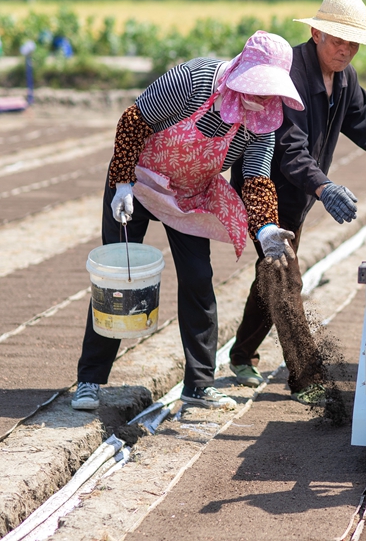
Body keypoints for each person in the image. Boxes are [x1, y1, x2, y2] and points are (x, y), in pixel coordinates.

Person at [72, 31, 304, 411]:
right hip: (139, 182)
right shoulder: (195, 81)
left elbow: (256, 177)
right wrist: (122, 183)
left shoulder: (262, 119)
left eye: (269, 90)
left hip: (188, 195)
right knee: (118, 281)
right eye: (257, 86)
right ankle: (90, 380)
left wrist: (265, 227)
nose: (261, 97)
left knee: (198, 279)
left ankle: (199, 385)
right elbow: (134, 121)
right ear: (241, 70)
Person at [227, 0, 366, 402]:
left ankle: (240, 354)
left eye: (352, 43)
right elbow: (289, 149)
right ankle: (307, 378)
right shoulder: (288, 74)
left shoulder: (344, 78)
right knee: (286, 277)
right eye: (337, 40)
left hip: (298, 200)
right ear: (316, 33)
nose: (345, 50)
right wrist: (325, 187)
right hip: (264, 192)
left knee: (271, 275)